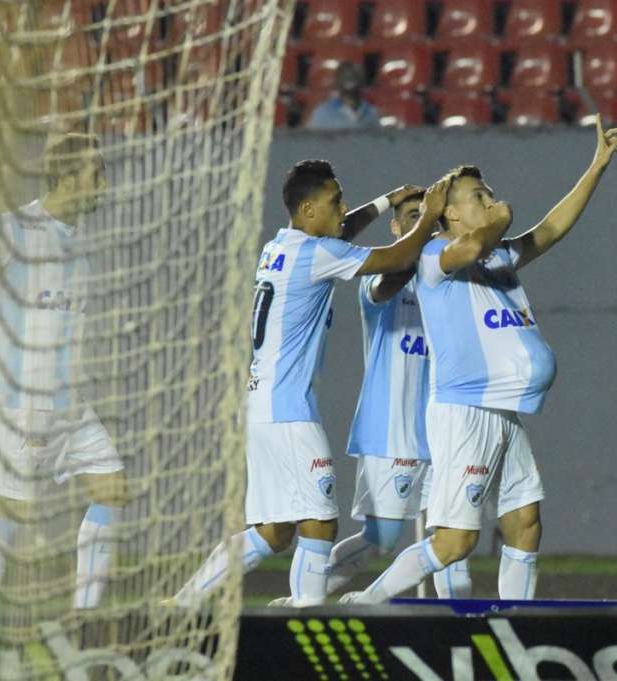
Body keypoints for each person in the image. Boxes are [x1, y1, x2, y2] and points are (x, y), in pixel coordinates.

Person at [340, 116, 617, 604]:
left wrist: (596, 165)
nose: (492, 201)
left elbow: (552, 228)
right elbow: (474, 241)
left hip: (502, 409)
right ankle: (363, 604)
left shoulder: (496, 257)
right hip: (466, 410)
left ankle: (516, 619)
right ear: (449, 215)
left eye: (491, 194)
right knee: (454, 543)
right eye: (480, 196)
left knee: (525, 522)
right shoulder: (433, 254)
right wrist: (504, 213)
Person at [169, 161, 450, 607]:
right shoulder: (318, 254)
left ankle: (179, 606)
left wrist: (384, 202)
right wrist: (430, 216)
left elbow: (337, 234)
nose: (343, 208)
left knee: (274, 531)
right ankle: (307, 620)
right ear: (307, 207)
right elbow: (396, 258)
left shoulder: (280, 247)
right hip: (289, 411)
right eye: (335, 200)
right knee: (319, 524)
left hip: (260, 405)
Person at [0, 132, 130, 611]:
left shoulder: (78, 244)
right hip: (20, 402)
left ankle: (84, 616)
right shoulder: (15, 230)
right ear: (66, 177)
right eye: (95, 173)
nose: (104, 183)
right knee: (10, 517)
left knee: (112, 486)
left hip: (68, 404)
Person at [325, 191, 471, 600]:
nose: (421, 225)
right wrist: (422, 236)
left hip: (446, 430)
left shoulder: (450, 284)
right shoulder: (378, 281)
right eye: (411, 217)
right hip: (394, 433)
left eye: (430, 219)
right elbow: (393, 276)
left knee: (454, 541)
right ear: (395, 226)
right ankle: (306, 596)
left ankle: (455, 629)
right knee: (380, 539)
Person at [306, 62, 381, 131]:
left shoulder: (371, 113)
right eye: (345, 75)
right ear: (336, 82)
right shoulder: (322, 113)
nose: (349, 77)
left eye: (354, 75)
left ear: (362, 81)